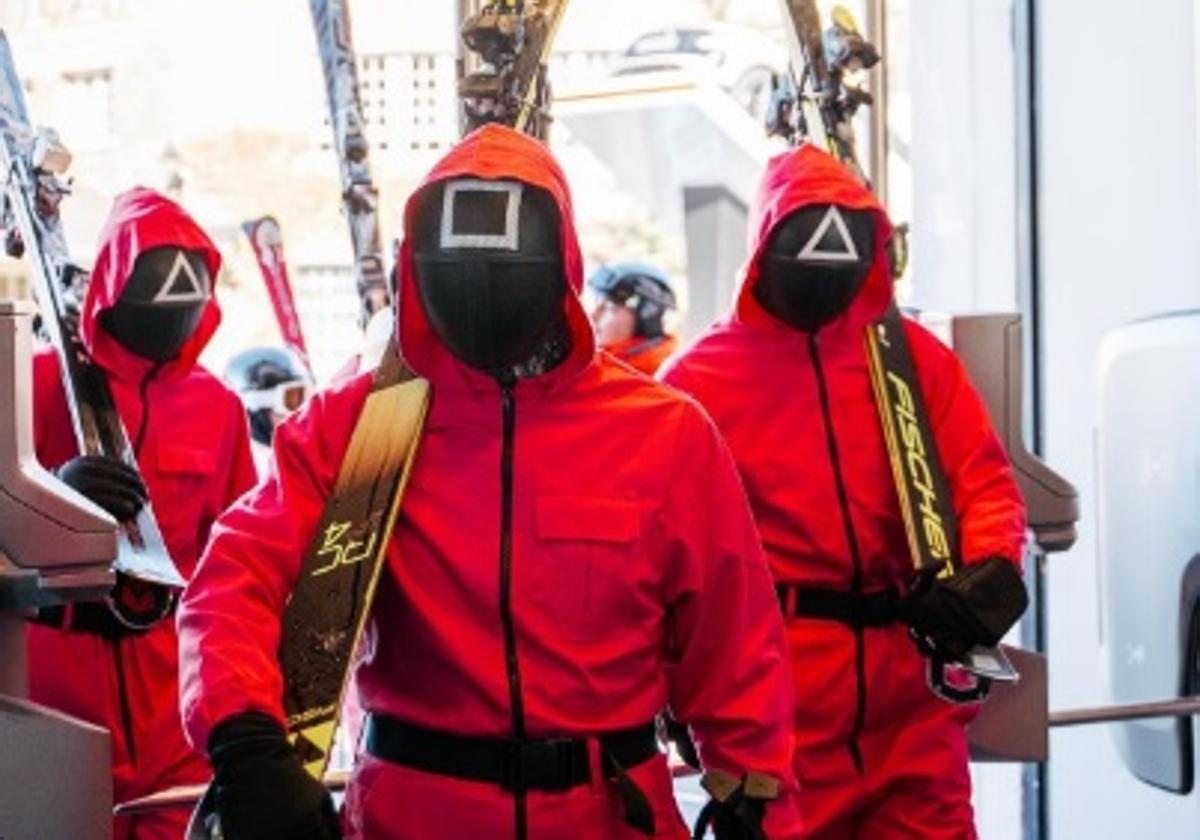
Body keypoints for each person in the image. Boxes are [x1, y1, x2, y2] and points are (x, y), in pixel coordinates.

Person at [177, 124, 803, 840]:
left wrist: (757, 796)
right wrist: (245, 738)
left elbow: (732, 635)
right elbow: (236, 575)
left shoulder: (661, 432)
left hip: (606, 814)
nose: (482, 297)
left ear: (559, 267)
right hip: (414, 815)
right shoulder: (367, 426)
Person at [660, 144, 1027, 839]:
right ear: (765, 247)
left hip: (914, 705)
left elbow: (982, 481)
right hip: (775, 717)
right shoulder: (696, 385)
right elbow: (664, 556)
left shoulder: (910, 361)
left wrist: (993, 570)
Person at [28, 186, 257, 840]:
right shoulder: (42, 380)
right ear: (113, 281)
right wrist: (51, 493)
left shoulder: (218, 408)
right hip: (53, 667)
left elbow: (238, 559)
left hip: (170, 684)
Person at [223, 345, 313, 470]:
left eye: (303, 398)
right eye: (290, 400)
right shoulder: (255, 473)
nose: (300, 414)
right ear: (255, 414)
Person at [587, 261, 678, 375]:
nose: (593, 316)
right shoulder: (596, 367)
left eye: (609, 306)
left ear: (648, 314)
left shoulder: (664, 378)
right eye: (597, 304)